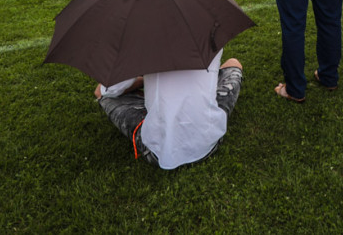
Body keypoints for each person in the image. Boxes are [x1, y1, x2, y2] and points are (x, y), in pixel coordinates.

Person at [95, 53, 243, 170]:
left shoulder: (143, 42)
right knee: (233, 63)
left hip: (159, 151)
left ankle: (153, 94)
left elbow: (109, 90)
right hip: (209, 139)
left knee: (101, 91)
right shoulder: (208, 33)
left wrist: (142, 79)